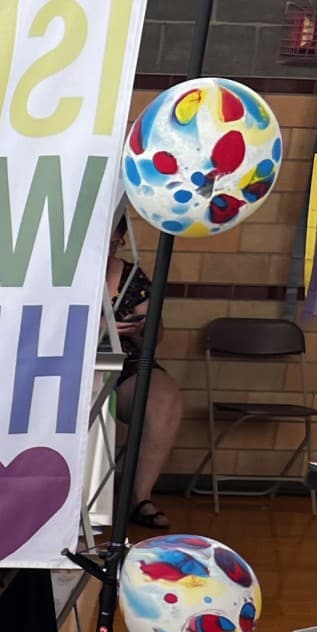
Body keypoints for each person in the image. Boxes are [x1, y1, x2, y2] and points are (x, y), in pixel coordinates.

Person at [109, 215, 182, 530]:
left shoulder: (131, 276)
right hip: (67, 364)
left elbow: (157, 333)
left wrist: (141, 330)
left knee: (163, 398)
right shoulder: (58, 273)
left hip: (125, 362)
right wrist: (98, 328)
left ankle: (139, 497)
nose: (108, 246)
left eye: (114, 239)